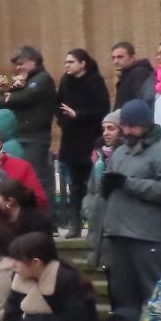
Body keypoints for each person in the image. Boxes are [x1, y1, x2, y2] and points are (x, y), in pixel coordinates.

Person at [100, 100, 161, 321]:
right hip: (117, 231)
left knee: (154, 292)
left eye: (133, 126)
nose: (127, 131)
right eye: (124, 125)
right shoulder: (120, 152)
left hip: (146, 234)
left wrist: (129, 183)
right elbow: (110, 183)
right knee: (122, 295)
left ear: (146, 125)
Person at [55, 49, 110, 235]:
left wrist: (78, 115)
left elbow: (102, 109)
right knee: (75, 185)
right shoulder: (65, 81)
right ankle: (75, 223)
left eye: (71, 61)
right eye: (66, 62)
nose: (67, 65)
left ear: (82, 63)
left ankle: (95, 223)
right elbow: (58, 107)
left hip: (89, 140)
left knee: (93, 183)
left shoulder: (95, 82)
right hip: (71, 141)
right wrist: (65, 121)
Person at [0, 46, 58, 187]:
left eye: (21, 63)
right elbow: (2, 103)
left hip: (36, 138)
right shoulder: (27, 82)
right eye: (16, 65)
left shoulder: (42, 79)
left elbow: (23, 98)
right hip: (23, 136)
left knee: (38, 179)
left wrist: (10, 95)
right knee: (23, 179)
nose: (18, 68)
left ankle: (46, 208)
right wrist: (4, 91)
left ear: (33, 61)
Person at [111, 42, 153, 107]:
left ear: (132, 58)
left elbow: (140, 103)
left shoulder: (139, 73)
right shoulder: (125, 75)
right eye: (113, 58)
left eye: (120, 57)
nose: (115, 61)